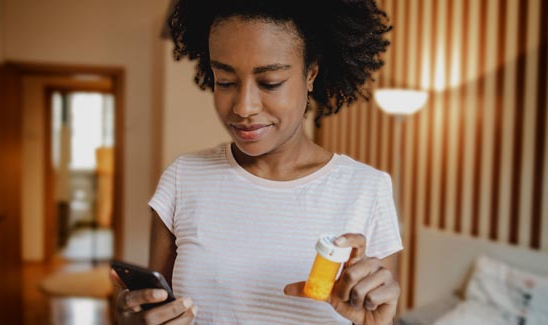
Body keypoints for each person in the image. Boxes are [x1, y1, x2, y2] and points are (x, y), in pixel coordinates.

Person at [112, 0, 402, 323]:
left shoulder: (366, 190)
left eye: (270, 82)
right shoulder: (183, 178)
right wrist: (136, 320)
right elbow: (157, 311)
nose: (244, 107)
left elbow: (371, 313)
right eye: (225, 81)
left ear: (311, 73)